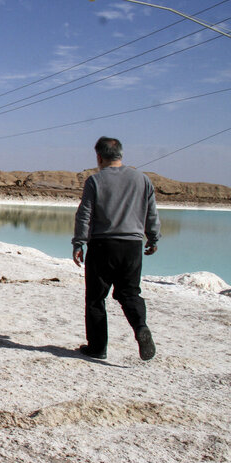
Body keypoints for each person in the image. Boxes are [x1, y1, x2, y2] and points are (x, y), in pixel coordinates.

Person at [72, 136, 160, 361]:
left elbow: (85, 214)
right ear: (121, 155)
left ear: (99, 157)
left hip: (103, 245)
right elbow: (151, 212)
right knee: (129, 293)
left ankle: (97, 348)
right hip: (132, 246)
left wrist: (78, 242)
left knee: (95, 298)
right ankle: (140, 326)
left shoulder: (95, 180)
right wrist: (153, 237)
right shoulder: (142, 179)